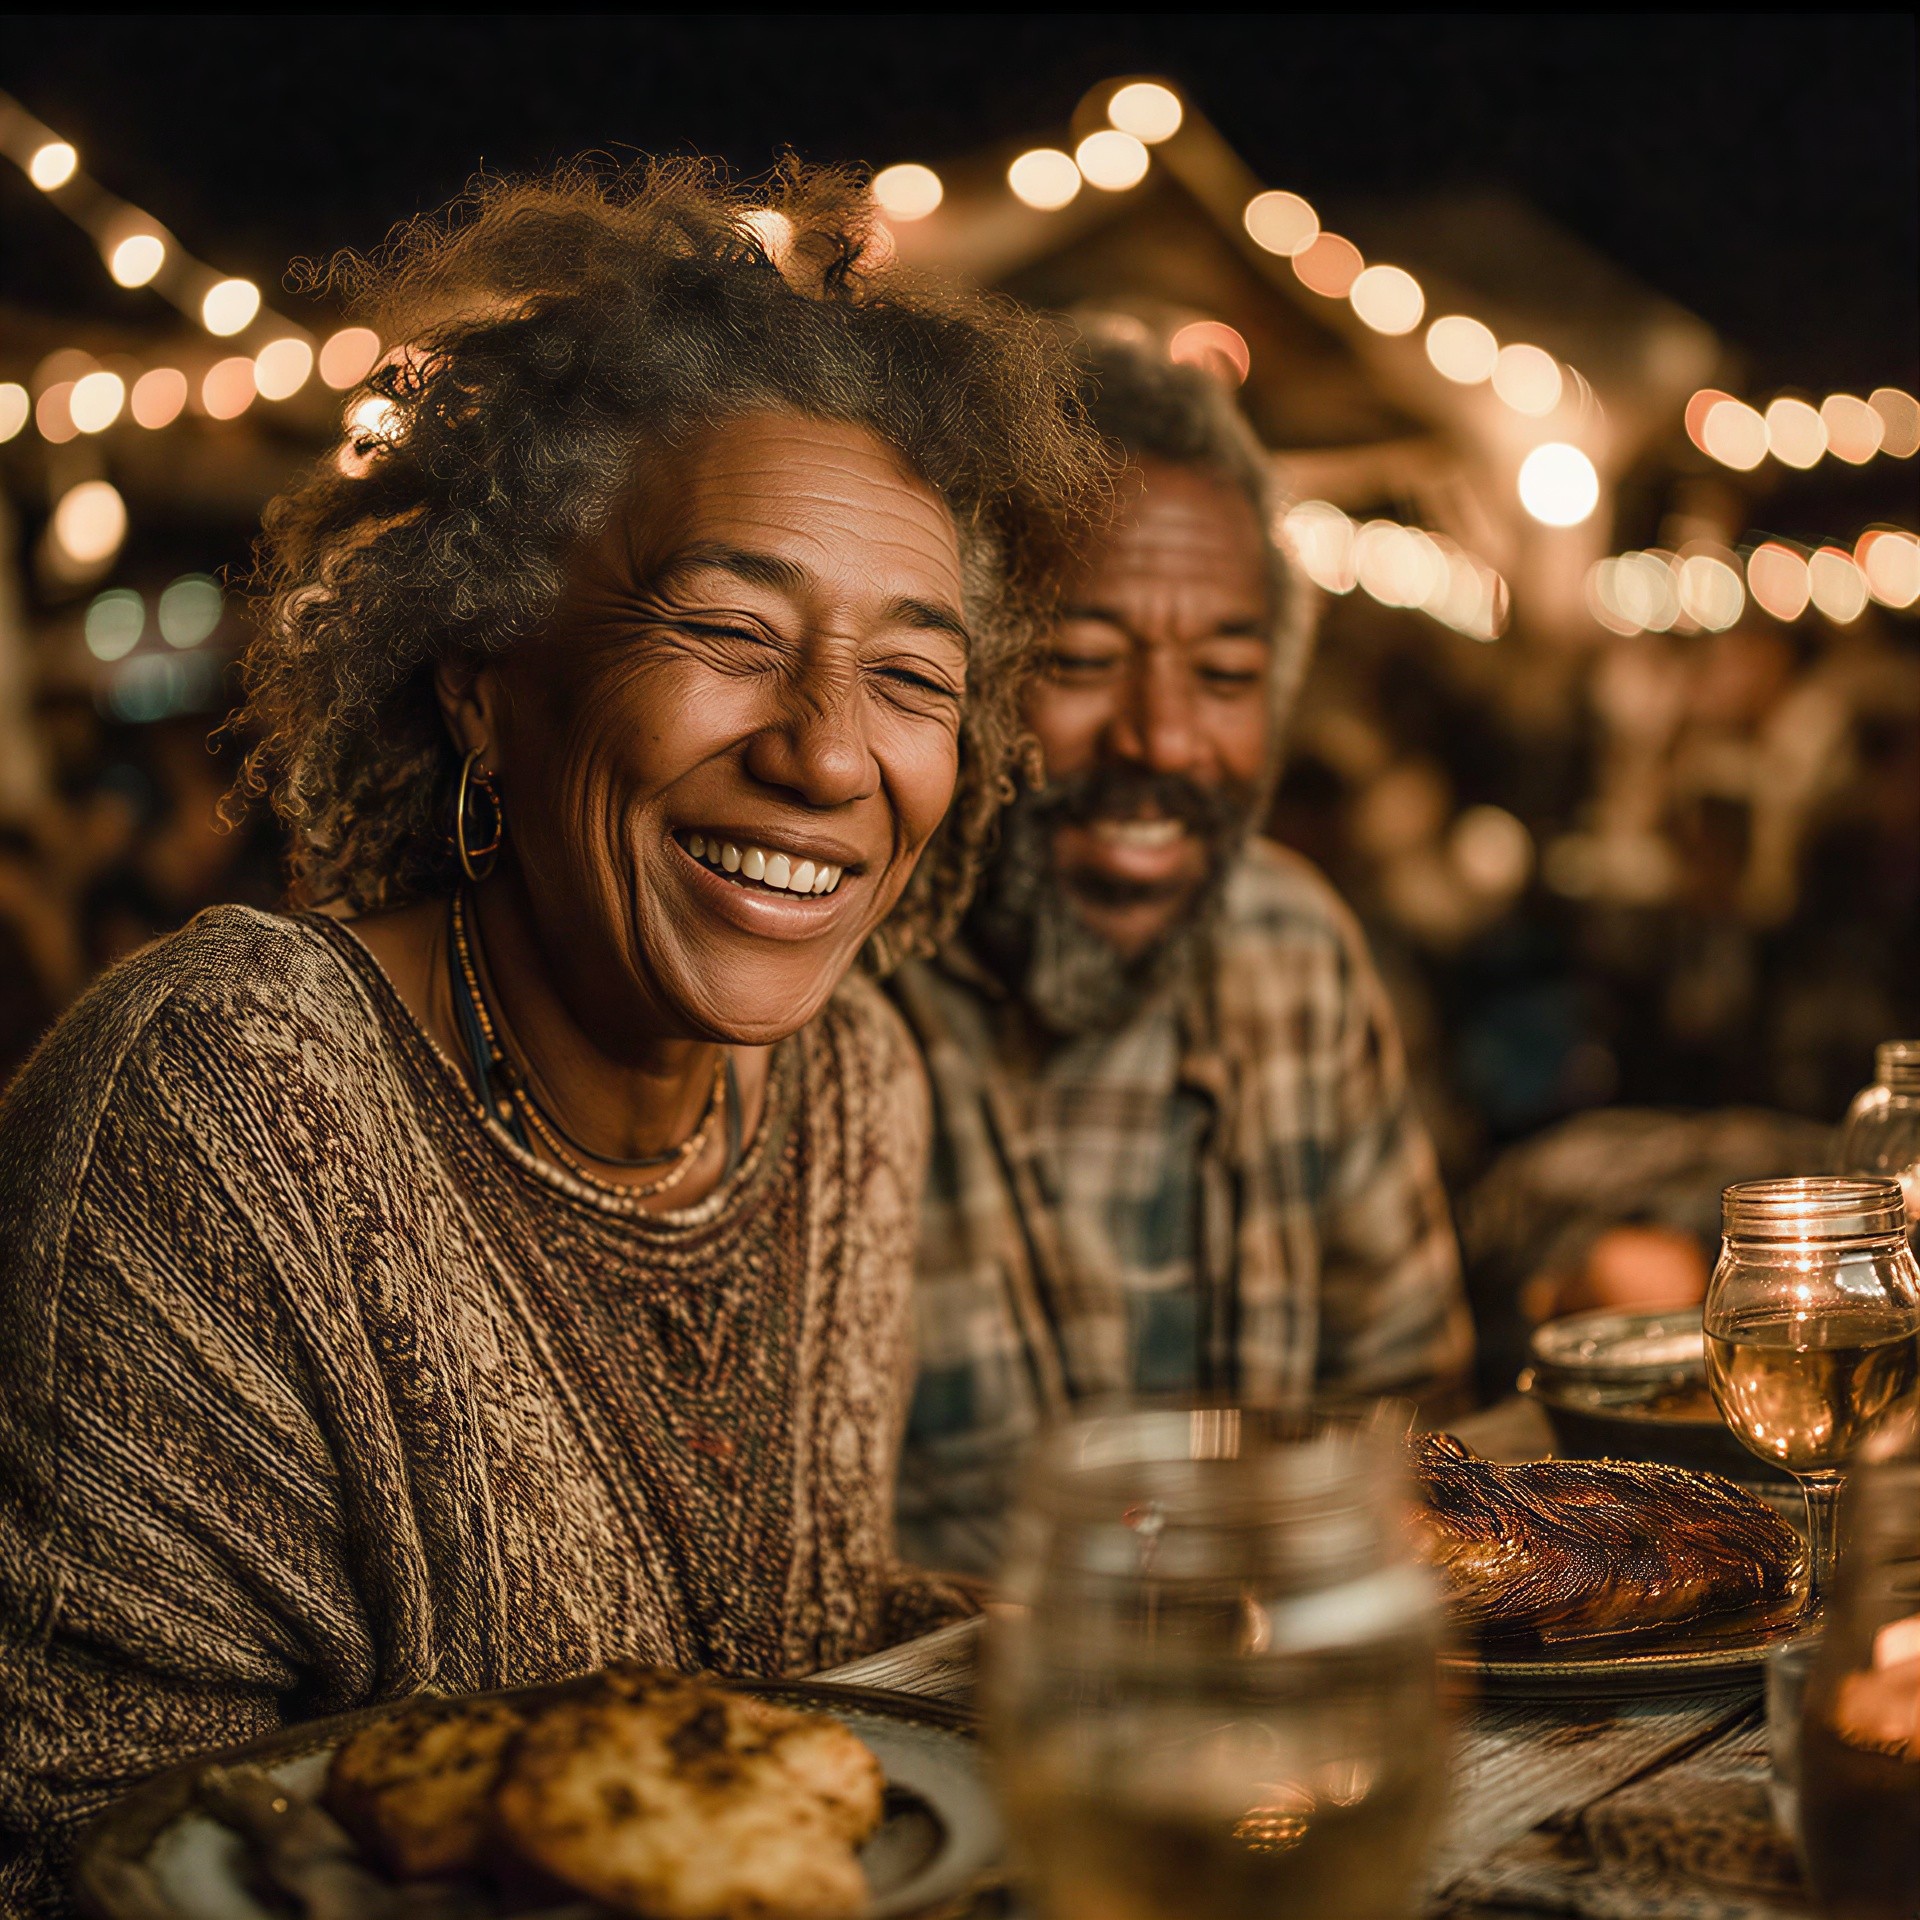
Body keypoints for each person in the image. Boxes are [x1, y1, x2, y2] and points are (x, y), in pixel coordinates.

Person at [0, 162, 1107, 1900]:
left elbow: (766, 1642)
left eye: (912, 676)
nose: (829, 754)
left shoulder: (856, 1087)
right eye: (730, 633)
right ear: (483, 687)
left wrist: (1057, 1636)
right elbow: (85, 1850)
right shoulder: (225, 1104)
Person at [893, 327, 1473, 1572]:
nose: (1161, 739)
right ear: (958, 679)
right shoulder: (830, 982)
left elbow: (1413, 1416)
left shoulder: (1290, 947)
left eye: (1224, 673)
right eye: (1080, 661)